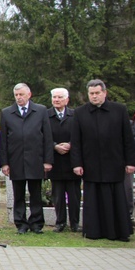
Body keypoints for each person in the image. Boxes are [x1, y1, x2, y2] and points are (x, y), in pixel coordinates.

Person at [70, 79, 135, 241]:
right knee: (93, 199)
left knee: (116, 199)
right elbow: (76, 141)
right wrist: (77, 163)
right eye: (91, 94)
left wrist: (130, 162)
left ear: (104, 93)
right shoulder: (80, 112)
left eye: (97, 93)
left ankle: (118, 232)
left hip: (115, 163)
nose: (94, 96)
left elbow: (128, 139)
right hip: (91, 164)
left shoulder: (119, 110)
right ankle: (94, 231)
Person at [0, 83, 53, 234]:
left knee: (36, 194)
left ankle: (36, 223)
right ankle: (21, 224)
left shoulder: (40, 110)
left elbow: (47, 137)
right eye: (16, 95)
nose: (19, 98)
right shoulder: (7, 113)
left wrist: (48, 160)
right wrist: (4, 163)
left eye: (21, 94)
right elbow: (3, 141)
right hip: (16, 160)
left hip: (36, 159)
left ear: (29, 95)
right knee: (19, 195)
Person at [47, 87, 80, 232]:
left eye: (60, 97)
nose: (57, 100)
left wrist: (71, 145)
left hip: (72, 161)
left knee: (74, 195)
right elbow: (43, 136)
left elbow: (81, 135)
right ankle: (60, 222)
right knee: (58, 195)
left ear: (67, 100)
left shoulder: (75, 115)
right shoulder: (46, 115)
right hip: (55, 161)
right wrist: (54, 146)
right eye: (54, 97)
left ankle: (74, 223)